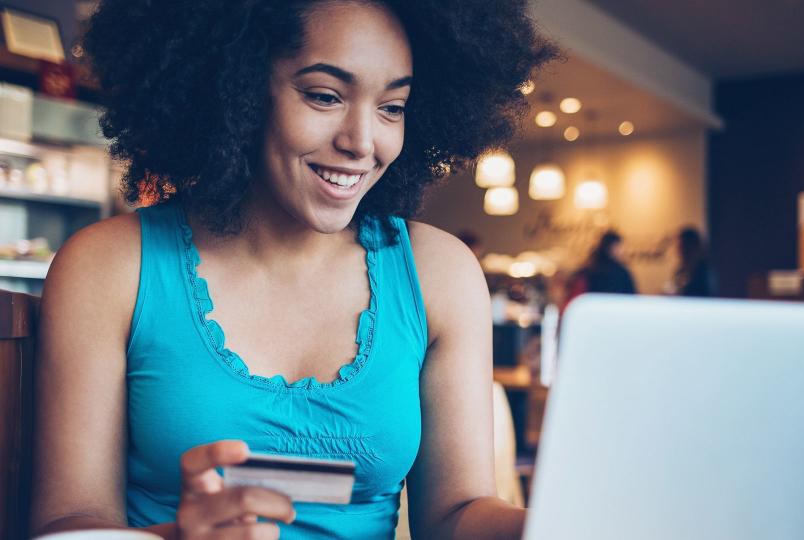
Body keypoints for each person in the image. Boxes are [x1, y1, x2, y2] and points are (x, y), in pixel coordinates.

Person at [31, 1, 555, 539]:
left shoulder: (439, 274)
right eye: (325, 96)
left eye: (392, 107)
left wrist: (570, 523)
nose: (362, 142)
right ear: (235, 85)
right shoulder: (109, 267)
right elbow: (68, 522)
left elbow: (456, 514)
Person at [563, 231, 636, 311]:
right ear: (612, 247)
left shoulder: (588, 269)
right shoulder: (621, 273)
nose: (623, 250)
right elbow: (632, 301)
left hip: (590, 315)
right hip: (616, 316)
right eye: (620, 246)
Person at [673, 226, 716, 297]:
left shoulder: (705, 272)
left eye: (684, 247)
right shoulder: (680, 272)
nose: (680, 252)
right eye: (679, 247)